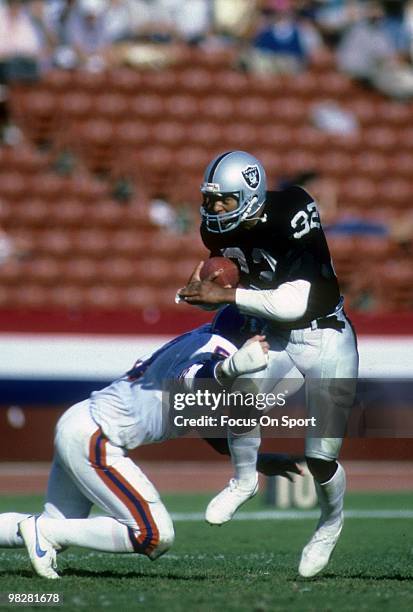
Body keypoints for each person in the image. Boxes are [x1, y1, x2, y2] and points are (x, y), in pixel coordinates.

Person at [1, 308, 301, 580]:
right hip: (97, 437)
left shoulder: (200, 338)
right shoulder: (219, 349)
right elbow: (192, 379)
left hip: (83, 423)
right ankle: (43, 532)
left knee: (60, 523)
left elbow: (204, 420)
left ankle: (41, 529)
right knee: (153, 535)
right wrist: (229, 368)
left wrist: (257, 461)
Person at [178, 150, 359, 578]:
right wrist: (206, 291)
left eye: (224, 200)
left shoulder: (293, 210)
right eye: (211, 200)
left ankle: (330, 524)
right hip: (276, 336)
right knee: (240, 386)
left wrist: (226, 297)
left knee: (321, 457)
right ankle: (244, 480)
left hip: (326, 335)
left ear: (252, 193)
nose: (215, 210)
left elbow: (296, 301)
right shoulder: (216, 233)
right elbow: (239, 283)